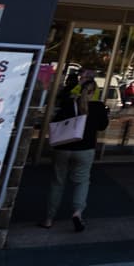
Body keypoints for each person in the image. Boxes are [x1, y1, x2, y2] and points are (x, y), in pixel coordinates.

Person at [42, 72, 109, 231]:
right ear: (95, 91)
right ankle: (77, 213)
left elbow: (56, 122)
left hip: (63, 147)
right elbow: (102, 127)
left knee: (57, 182)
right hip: (85, 149)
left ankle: (49, 219)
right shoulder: (99, 107)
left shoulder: (69, 104)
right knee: (82, 181)